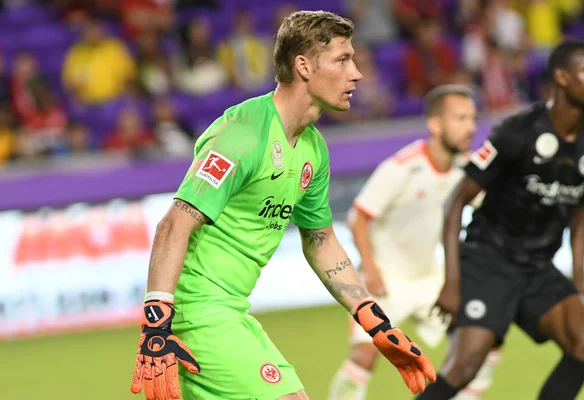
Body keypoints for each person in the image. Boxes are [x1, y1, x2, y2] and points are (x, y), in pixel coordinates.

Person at [129, 10, 436, 400]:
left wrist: (375, 322)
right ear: (303, 66)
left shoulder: (314, 149)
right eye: (342, 60)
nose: (356, 73)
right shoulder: (245, 131)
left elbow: (320, 240)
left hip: (232, 314)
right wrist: (156, 326)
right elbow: (173, 225)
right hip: (197, 315)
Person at [417, 40, 584, 399]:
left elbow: (580, 221)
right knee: (464, 366)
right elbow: (455, 203)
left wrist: (581, 284)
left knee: (582, 344)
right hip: (489, 260)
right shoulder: (517, 133)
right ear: (562, 78)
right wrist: (452, 282)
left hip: (536, 267)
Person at [329, 85, 501, 400]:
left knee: (484, 338)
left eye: (472, 118)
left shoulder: (465, 169)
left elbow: (494, 210)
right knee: (364, 357)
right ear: (436, 125)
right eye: (460, 118)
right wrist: (370, 268)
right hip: (386, 278)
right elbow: (359, 218)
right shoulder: (402, 167)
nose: (471, 127)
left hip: (429, 278)